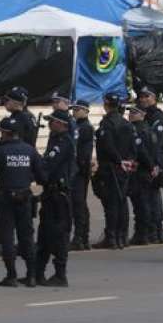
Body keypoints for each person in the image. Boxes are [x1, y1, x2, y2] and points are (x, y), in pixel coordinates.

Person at [0, 116, 44, 287]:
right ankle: (31, 275)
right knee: (27, 237)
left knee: (7, 236)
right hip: (25, 197)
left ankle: (11, 275)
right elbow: (42, 175)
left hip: (5, 197)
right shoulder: (30, 150)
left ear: (5, 133)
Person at [34, 110, 75, 286]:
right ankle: (37, 272)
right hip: (50, 193)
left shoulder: (63, 142)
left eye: (52, 121)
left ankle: (60, 274)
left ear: (61, 124)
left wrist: (35, 169)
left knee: (58, 235)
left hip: (59, 195)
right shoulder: (55, 140)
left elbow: (48, 165)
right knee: (44, 234)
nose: (50, 124)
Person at [92, 93, 136, 250]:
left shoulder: (107, 124)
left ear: (106, 104)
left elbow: (108, 146)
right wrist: (128, 161)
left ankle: (112, 237)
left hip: (110, 168)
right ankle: (121, 236)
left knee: (112, 204)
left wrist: (118, 161)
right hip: (124, 167)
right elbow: (133, 146)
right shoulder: (127, 124)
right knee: (121, 202)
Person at [138, 88, 163, 242]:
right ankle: (151, 230)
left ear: (154, 98)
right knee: (148, 198)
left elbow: (158, 142)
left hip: (155, 161)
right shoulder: (144, 115)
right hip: (147, 161)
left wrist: (156, 164)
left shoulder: (157, 116)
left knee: (153, 197)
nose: (143, 99)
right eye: (142, 96)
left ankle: (156, 230)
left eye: (147, 96)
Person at [127, 105, 157, 246]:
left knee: (141, 204)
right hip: (146, 170)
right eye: (131, 112)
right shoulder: (148, 129)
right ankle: (148, 232)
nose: (131, 115)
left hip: (140, 171)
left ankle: (142, 234)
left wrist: (150, 166)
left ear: (142, 115)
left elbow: (142, 152)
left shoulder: (138, 130)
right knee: (145, 203)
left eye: (135, 112)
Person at [69, 101, 94, 250]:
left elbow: (83, 153)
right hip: (76, 169)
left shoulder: (85, 128)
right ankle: (81, 236)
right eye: (74, 109)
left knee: (79, 204)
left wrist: (82, 169)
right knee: (77, 204)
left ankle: (81, 236)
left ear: (85, 111)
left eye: (77, 109)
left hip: (80, 171)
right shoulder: (77, 126)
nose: (74, 112)